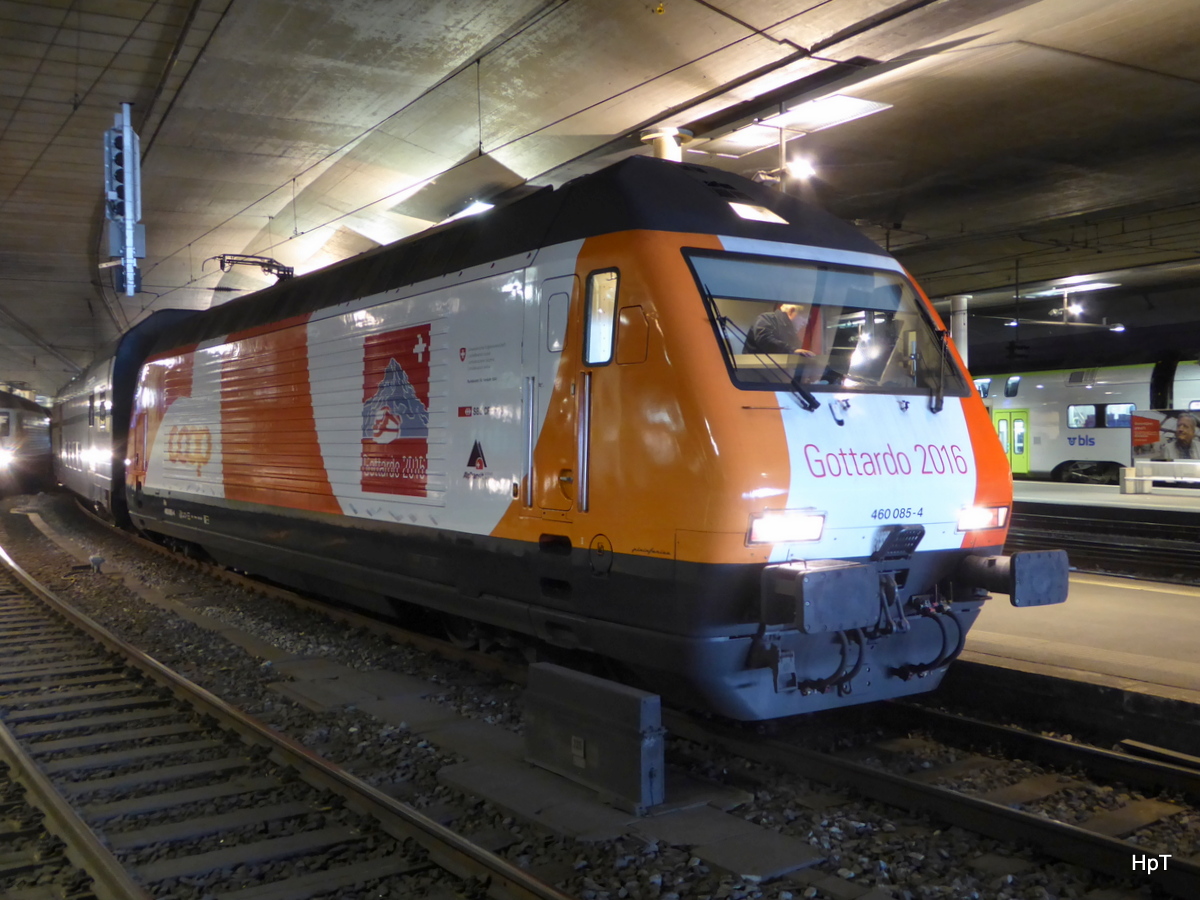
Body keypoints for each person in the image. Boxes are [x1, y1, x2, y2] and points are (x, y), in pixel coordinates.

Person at [742, 303, 815, 356]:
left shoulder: (790, 332)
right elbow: (765, 340)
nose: (805, 322)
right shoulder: (766, 319)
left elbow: (798, 349)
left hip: (776, 373)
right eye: (804, 317)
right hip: (754, 371)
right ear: (792, 311)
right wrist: (792, 351)